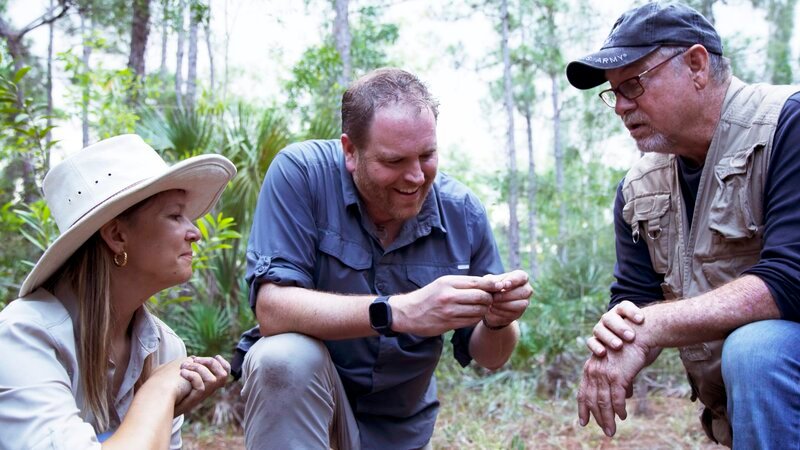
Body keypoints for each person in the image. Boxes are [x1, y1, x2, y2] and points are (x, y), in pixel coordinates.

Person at [232, 67, 532, 449]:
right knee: (282, 357)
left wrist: (497, 321)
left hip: (401, 431)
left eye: (427, 155)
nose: (415, 177)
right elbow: (272, 308)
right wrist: (397, 311)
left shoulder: (463, 213)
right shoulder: (302, 175)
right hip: (311, 415)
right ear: (350, 151)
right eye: (393, 162)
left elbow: (491, 358)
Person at [565, 2, 800, 448]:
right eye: (614, 92)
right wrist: (618, 342)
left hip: (776, 368)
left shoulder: (788, 124)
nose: (620, 106)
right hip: (754, 413)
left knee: (758, 350)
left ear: (695, 64)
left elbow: (791, 278)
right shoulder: (639, 188)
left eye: (633, 84)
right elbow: (635, 301)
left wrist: (650, 326)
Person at [0, 134, 237, 449]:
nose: (194, 232)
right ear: (116, 235)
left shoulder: (164, 348)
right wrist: (158, 392)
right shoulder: (24, 337)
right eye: (176, 215)